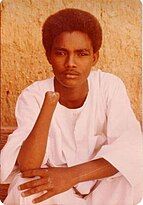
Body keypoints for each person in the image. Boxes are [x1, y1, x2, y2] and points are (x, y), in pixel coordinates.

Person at [1, 8, 143, 205]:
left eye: (81, 54)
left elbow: (131, 149)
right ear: (49, 56)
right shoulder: (32, 95)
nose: (70, 63)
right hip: (57, 194)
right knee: (23, 189)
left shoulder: (109, 86)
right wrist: (49, 105)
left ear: (94, 57)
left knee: (131, 178)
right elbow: (28, 166)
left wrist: (71, 176)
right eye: (61, 53)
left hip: (101, 189)